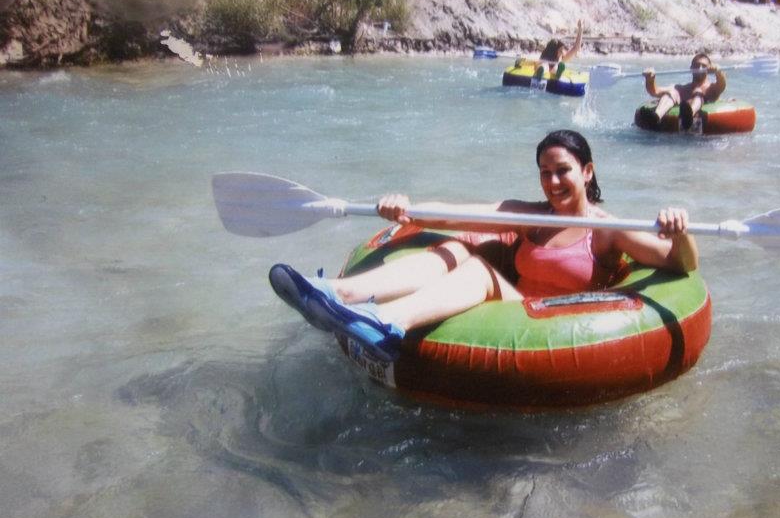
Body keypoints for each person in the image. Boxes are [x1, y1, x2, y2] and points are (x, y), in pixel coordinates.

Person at [269, 130, 699, 362]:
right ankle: (337, 295)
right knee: (455, 251)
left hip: (552, 325)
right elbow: (457, 215)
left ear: (587, 172)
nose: (552, 182)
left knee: (477, 270)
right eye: (544, 172)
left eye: (562, 171)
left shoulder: (609, 229)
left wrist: (681, 231)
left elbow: (681, 265)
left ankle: (387, 323)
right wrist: (404, 208)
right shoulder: (529, 214)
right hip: (511, 308)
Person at [639, 52, 726, 131]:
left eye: (703, 66)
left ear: (708, 68)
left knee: (698, 93)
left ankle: (688, 116)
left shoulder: (712, 88)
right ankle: (656, 117)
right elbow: (654, 91)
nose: (699, 68)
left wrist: (718, 72)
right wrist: (650, 79)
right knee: (672, 92)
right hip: (678, 107)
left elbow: (722, 84)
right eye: (696, 65)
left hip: (694, 116)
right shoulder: (682, 89)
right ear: (691, 68)